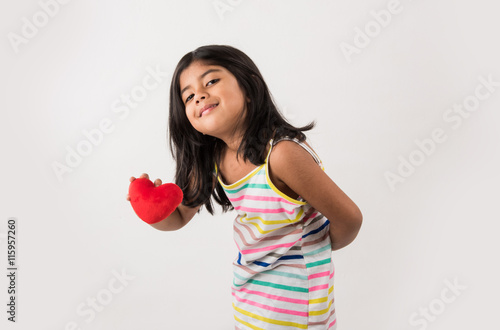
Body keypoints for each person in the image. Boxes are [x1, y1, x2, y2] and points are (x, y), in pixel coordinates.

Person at [126, 45, 363, 329]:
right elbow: (178, 217)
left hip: (296, 303)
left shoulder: (282, 155)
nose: (199, 95)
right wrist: (148, 207)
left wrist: (314, 250)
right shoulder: (215, 159)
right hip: (249, 295)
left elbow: (349, 218)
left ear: (248, 86)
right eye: (188, 96)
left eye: (211, 81)